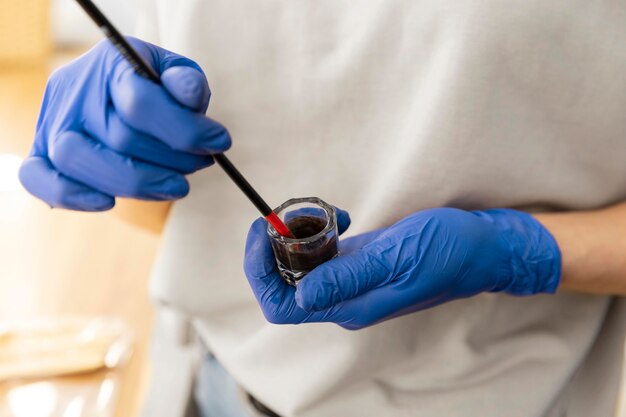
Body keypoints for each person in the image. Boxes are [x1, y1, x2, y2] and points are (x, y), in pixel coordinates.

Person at [19, 1, 626, 416]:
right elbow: (161, 216)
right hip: (226, 386)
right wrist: (113, 144)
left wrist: (517, 252)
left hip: (512, 395)